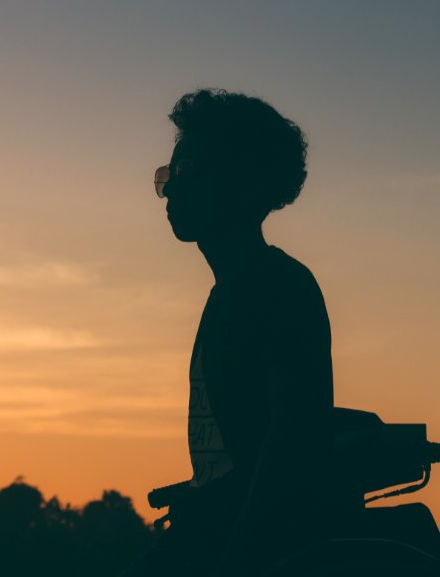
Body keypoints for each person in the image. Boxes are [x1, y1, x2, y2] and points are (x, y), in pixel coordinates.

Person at [122, 89, 335, 576]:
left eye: (188, 171)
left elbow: (289, 444)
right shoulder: (233, 292)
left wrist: (236, 558)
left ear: (243, 181)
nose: (171, 190)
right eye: (167, 176)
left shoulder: (277, 288)